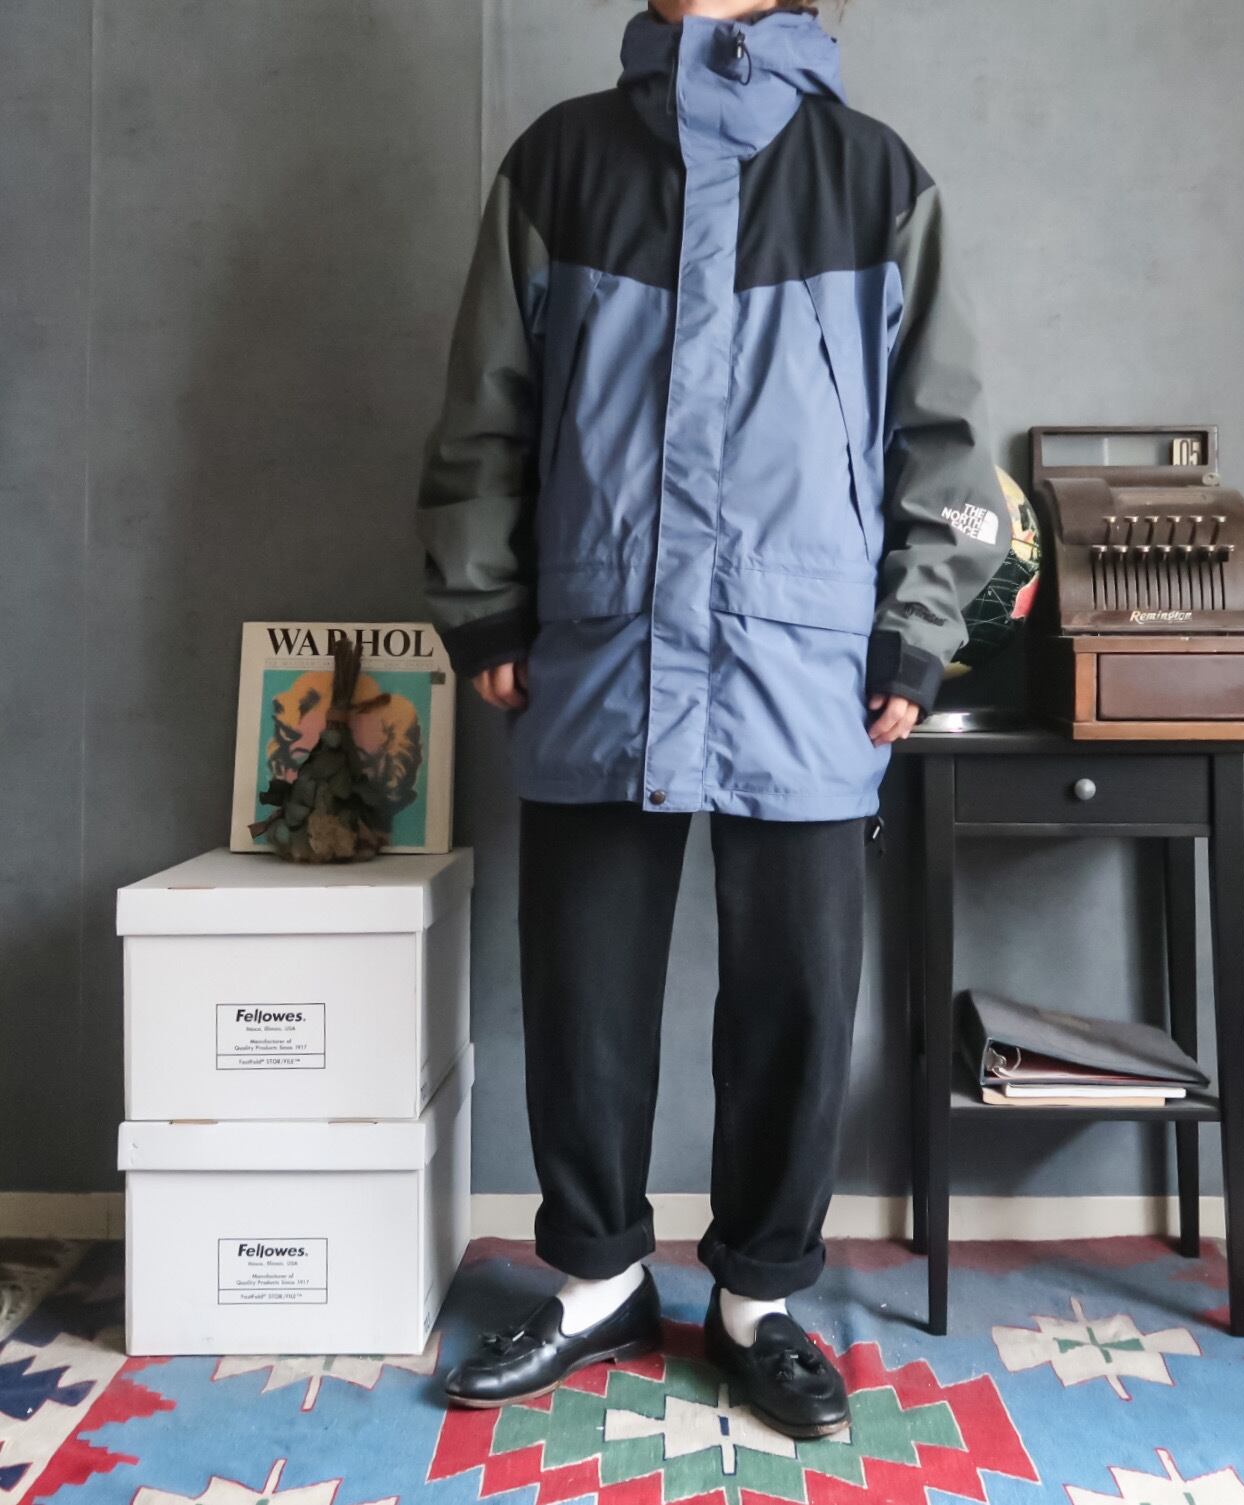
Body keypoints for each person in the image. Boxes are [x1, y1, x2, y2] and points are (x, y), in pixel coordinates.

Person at [415, 0, 1008, 1438]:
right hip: (600, 638)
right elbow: (488, 405)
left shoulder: (875, 179)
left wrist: (916, 632)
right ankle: (596, 1278)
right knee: (582, 986)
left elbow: (939, 437)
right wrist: (484, 604)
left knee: (799, 991)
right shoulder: (558, 163)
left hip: (806, 655)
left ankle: (759, 1300)